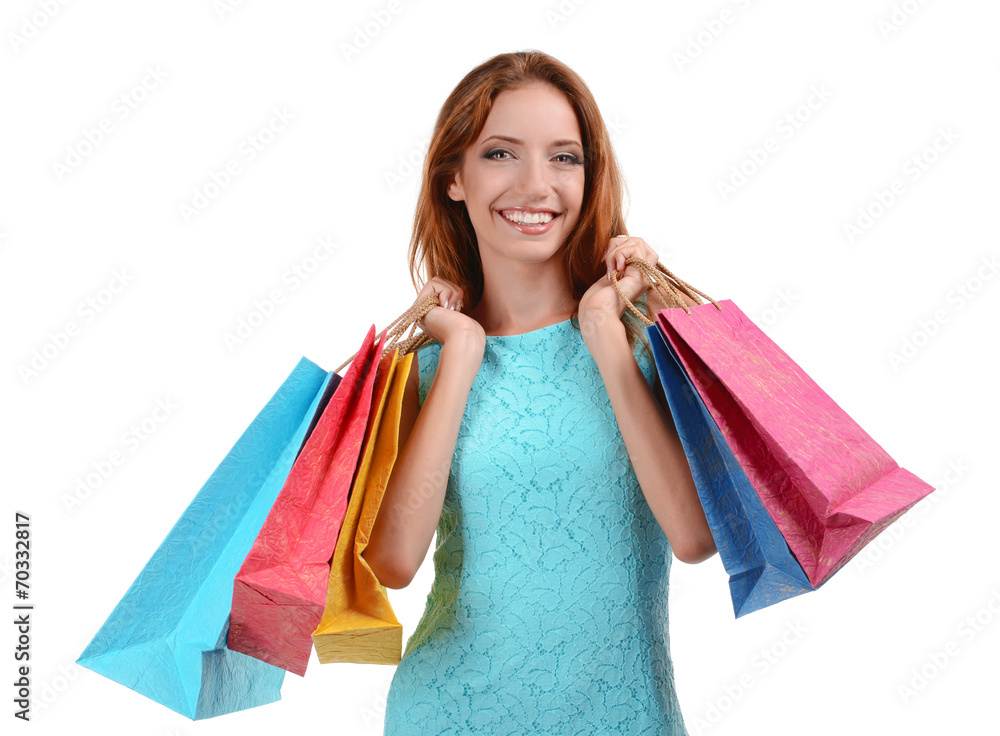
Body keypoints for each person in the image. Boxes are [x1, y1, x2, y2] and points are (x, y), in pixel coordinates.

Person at [362, 49, 717, 736]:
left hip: (623, 719)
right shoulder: (424, 370)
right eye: (500, 154)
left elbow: (695, 536)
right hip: (448, 715)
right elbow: (395, 563)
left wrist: (602, 333)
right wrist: (462, 350)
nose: (535, 185)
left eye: (564, 157)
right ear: (453, 180)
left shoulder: (645, 343)